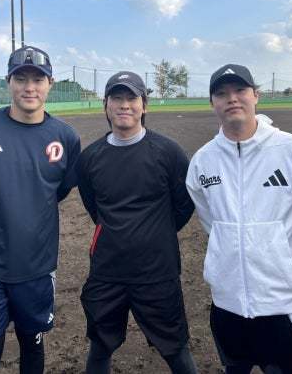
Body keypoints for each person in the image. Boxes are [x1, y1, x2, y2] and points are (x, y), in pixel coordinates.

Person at [186, 64, 292, 374]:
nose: (232, 98)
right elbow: (211, 222)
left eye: (240, 90)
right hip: (227, 305)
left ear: (256, 96)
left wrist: (276, 245)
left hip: (284, 305)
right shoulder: (202, 161)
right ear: (212, 102)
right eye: (221, 93)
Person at [0, 45, 80, 374]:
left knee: (32, 345)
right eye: (20, 79)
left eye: (38, 79)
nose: (29, 87)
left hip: (36, 266)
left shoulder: (65, 138)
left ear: (51, 83)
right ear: (8, 82)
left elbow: (57, 190)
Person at [76, 71, 198, 374]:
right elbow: (94, 207)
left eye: (131, 98)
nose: (124, 105)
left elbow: (184, 205)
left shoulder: (168, 152)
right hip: (107, 271)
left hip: (157, 272)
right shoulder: (90, 157)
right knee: (100, 346)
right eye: (116, 98)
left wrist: (155, 233)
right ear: (105, 105)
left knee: (176, 348)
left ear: (144, 105)